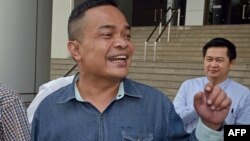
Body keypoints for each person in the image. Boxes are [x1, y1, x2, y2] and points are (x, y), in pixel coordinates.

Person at [31, 0, 231, 140]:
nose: (123, 43)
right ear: (75, 49)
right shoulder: (49, 109)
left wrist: (210, 127)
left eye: (127, 35)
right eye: (107, 34)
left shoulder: (156, 105)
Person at [173, 37, 250, 133]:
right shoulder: (188, 85)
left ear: (231, 63)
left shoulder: (244, 94)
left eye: (219, 60)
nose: (213, 65)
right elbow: (172, 120)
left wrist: (218, 129)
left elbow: (243, 132)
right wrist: (197, 108)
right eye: (209, 59)